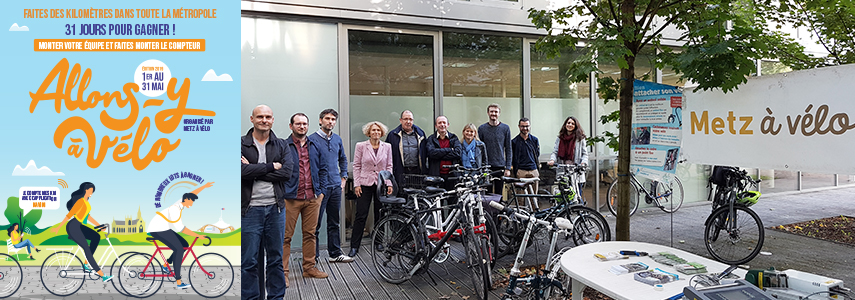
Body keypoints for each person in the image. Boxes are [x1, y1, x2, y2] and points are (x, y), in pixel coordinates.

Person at [241, 104, 292, 298]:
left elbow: (287, 173)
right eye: (260, 116)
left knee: (275, 260)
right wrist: (271, 166)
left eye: (268, 117)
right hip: (249, 210)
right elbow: (239, 172)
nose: (264, 120)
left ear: (272, 120)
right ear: (252, 119)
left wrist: (254, 169)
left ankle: (276, 297)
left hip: (275, 209)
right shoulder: (240, 144)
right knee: (249, 261)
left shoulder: (281, 144)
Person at [282, 113, 328, 282]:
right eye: (298, 124)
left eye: (304, 124)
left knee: (310, 234)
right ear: (291, 126)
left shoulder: (315, 145)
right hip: (291, 198)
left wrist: (321, 192)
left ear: (308, 126)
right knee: (285, 237)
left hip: (312, 198)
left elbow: (323, 169)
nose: (302, 126)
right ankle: (283, 273)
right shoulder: (283, 146)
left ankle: (309, 268)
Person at [307, 109, 354, 263]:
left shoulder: (337, 139)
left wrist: (344, 178)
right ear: (320, 121)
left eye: (333, 119)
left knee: (334, 222)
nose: (330, 122)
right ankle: (312, 258)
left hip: (335, 186)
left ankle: (334, 253)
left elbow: (343, 159)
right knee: (315, 224)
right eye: (327, 119)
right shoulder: (311, 140)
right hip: (319, 188)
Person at [148, 182, 213, 289]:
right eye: (191, 201)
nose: (192, 204)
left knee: (184, 244)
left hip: (163, 227)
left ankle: (166, 265)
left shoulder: (180, 203)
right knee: (179, 249)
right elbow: (181, 228)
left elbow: (191, 193)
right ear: (186, 200)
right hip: (158, 229)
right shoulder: (175, 209)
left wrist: (204, 187)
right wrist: (198, 236)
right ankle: (178, 282)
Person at [51, 182, 113, 282]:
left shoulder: (86, 202)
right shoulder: (80, 201)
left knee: (96, 237)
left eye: (93, 190)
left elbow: (88, 216)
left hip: (79, 226)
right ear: (86, 190)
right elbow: (69, 214)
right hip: (73, 226)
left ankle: (86, 263)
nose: (92, 192)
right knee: (87, 249)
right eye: (91, 190)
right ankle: (102, 275)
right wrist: (58, 228)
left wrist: (99, 225)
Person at [349, 121, 394, 257]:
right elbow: (356, 166)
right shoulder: (361, 146)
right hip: (364, 184)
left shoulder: (387, 146)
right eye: (373, 130)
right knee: (361, 214)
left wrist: (389, 183)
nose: (376, 133)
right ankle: (354, 246)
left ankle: (378, 241)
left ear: (382, 133)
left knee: (380, 213)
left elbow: (389, 166)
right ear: (369, 132)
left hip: (381, 184)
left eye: (378, 131)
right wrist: (357, 184)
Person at [386, 110, 427, 188]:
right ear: (401, 120)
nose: (408, 121)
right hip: (400, 172)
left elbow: (425, 153)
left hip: (417, 172)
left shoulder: (421, 134)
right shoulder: (393, 135)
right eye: (405, 119)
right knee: (402, 197)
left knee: (417, 197)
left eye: (410, 119)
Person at [547, 116, 589, 191]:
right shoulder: (560, 138)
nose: (570, 125)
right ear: (565, 124)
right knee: (565, 196)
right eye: (568, 123)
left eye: (572, 123)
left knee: (577, 197)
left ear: (575, 126)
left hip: (576, 171)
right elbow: (555, 152)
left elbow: (585, 154)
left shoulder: (580, 139)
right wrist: (552, 160)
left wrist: (583, 163)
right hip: (563, 170)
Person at [478, 103, 513, 193]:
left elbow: (508, 149)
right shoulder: (482, 129)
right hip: (486, 166)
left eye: (496, 112)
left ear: (499, 113)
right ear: (488, 113)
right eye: (491, 111)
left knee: (499, 193)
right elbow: (479, 150)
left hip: (500, 166)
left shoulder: (505, 128)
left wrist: (508, 167)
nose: (493, 114)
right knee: (487, 193)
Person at [424, 116, 463, 180]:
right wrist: (450, 149)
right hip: (436, 176)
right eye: (439, 123)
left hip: (452, 176)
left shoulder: (454, 138)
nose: (442, 125)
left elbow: (458, 153)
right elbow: (431, 153)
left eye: (444, 123)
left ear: (448, 125)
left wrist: (439, 155)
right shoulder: (431, 139)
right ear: (436, 126)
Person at [511, 118, 541, 193]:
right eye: (522, 126)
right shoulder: (514, 141)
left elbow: (537, 154)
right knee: (520, 197)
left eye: (527, 126)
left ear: (530, 126)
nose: (525, 128)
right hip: (521, 171)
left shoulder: (534, 140)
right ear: (519, 126)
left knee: (533, 197)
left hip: (533, 170)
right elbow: (512, 156)